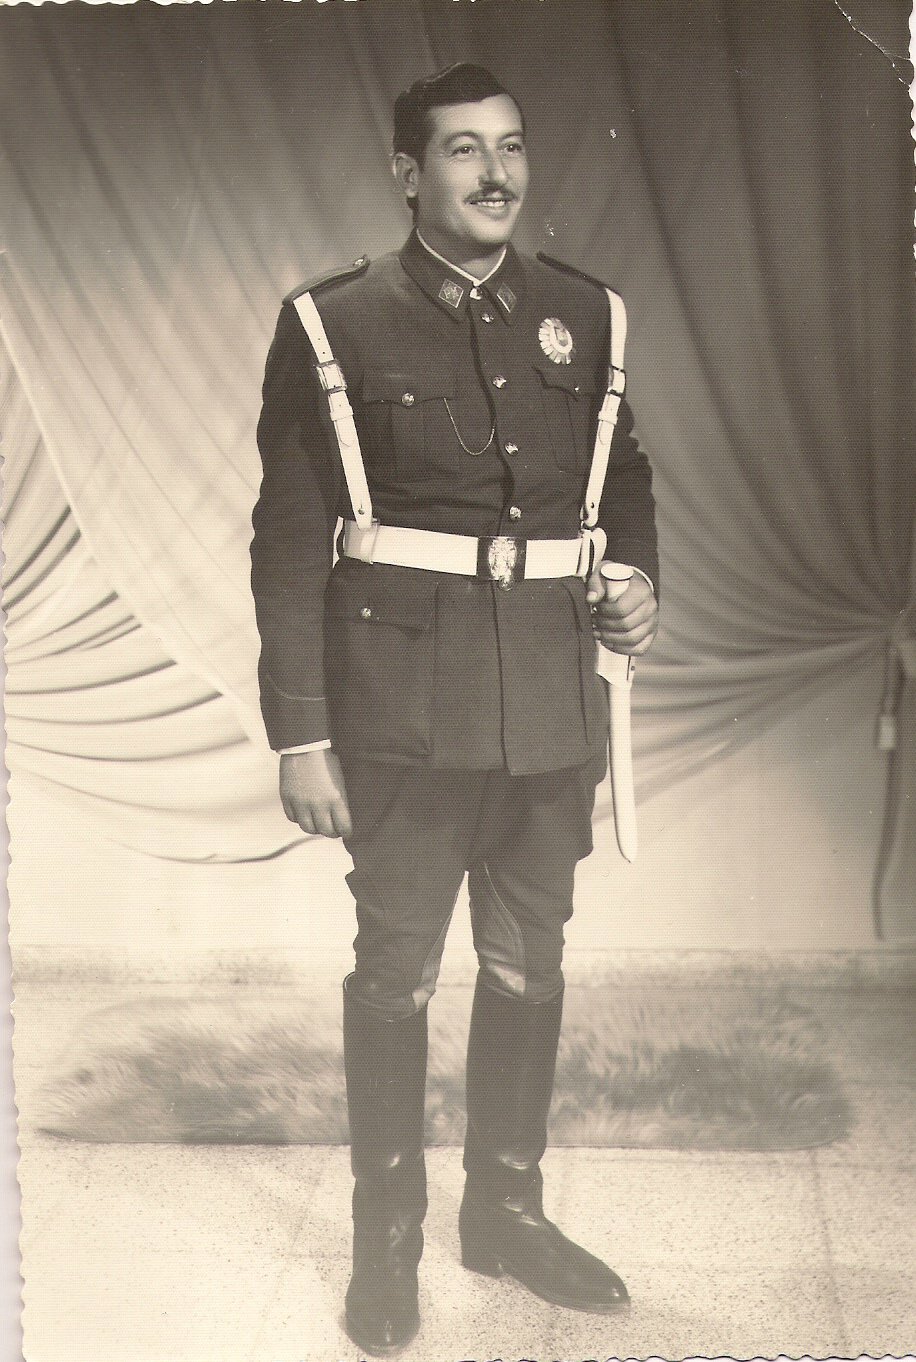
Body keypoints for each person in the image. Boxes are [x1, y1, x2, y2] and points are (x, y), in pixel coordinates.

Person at [251, 63, 659, 1357]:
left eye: (513, 146)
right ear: (408, 174)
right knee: (398, 970)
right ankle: (388, 1237)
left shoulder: (586, 314)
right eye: (466, 150)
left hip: (548, 703)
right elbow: (287, 540)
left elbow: (622, 479)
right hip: (402, 711)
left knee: (530, 961)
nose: (497, 173)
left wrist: (638, 579)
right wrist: (301, 730)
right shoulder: (336, 324)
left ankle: (507, 1213)